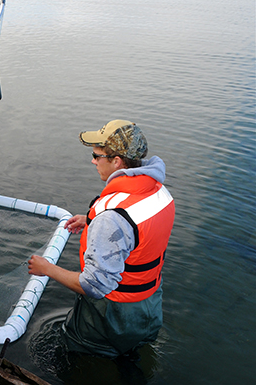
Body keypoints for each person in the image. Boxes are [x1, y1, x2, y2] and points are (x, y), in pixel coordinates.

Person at [28, 120, 175, 358]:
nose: (93, 161)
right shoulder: (159, 192)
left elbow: (93, 286)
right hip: (149, 306)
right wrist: (90, 221)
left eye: (97, 155)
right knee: (133, 358)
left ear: (116, 161)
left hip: (112, 316)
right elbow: (139, 232)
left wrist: (47, 269)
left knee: (84, 360)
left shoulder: (111, 219)